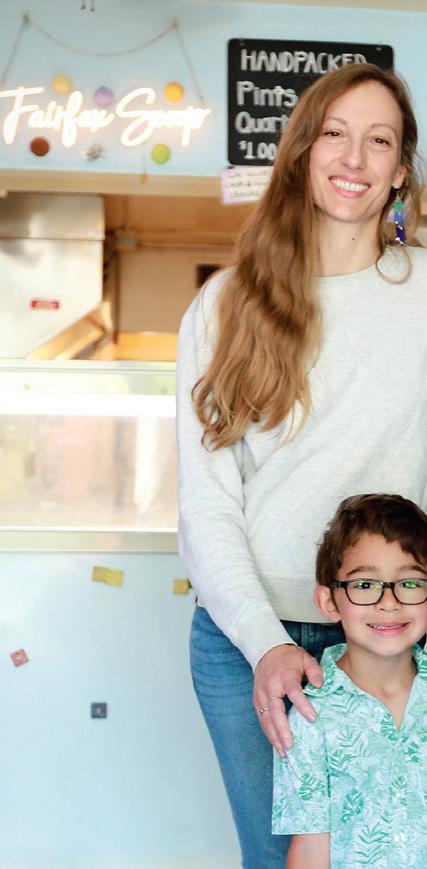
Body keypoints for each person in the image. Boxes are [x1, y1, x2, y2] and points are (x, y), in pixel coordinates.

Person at [176, 61, 427, 869]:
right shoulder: (226, 305)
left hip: (394, 622)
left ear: (399, 169)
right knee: (281, 858)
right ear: (300, 152)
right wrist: (263, 643)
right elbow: (207, 503)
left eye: (378, 141)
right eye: (334, 135)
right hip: (251, 634)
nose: (353, 159)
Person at [273, 493, 427, 869]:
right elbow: (310, 848)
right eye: (364, 585)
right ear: (329, 602)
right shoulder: (311, 717)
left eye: (410, 583)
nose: (389, 603)